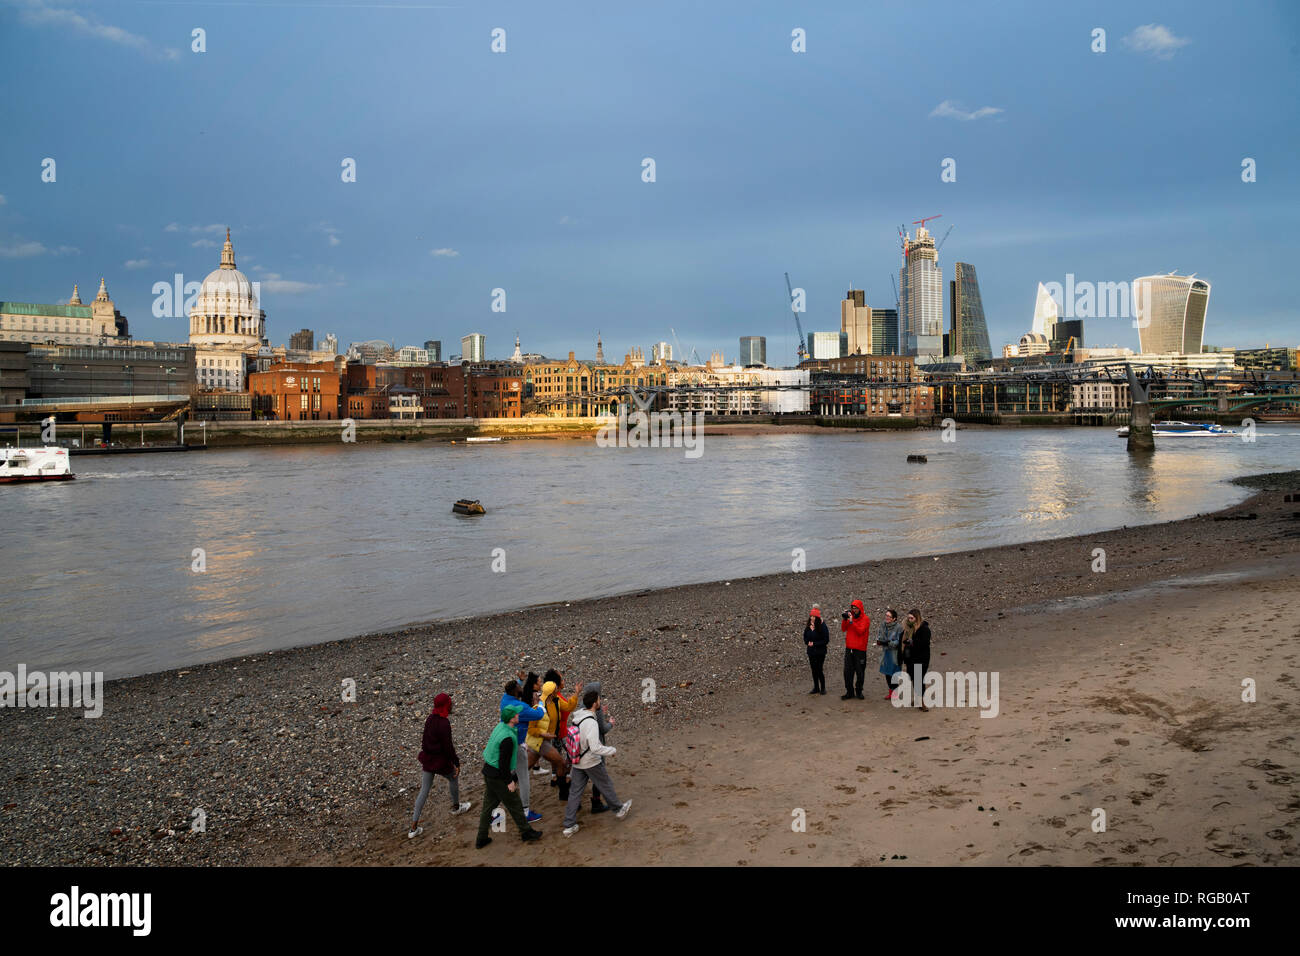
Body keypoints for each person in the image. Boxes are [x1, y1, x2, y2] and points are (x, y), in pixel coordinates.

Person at [561, 689, 632, 837]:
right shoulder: (591, 723)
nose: (600, 702)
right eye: (599, 700)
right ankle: (619, 809)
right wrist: (611, 750)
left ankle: (569, 825)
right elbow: (595, 747)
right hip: (591, 762)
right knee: (606, 785)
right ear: (594, 704)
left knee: (575, 793)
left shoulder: (577, 718)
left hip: (577, 761)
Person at [476, 704, 543, 848]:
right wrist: (509, 782)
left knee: (488, 807)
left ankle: (481, 838)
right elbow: (503, 764)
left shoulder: (501, 727)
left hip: (488, 772)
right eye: (517, 715)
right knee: (515, 804)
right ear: (512, 718)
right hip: (498, 776)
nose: (519, 716)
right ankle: (526, 832)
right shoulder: (507, 738)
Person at [409, 693, 470, 837]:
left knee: (424, 790)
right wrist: (456, 762)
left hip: (428, 759)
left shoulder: (430, 719)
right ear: (446, 705)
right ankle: (456, 807)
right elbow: (448, 747)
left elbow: (424, 741)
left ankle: (413, 828)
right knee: (453, 778)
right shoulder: (444, 723)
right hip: (440, 761)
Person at [501, 678, 546, 823]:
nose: (522, 689)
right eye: (520, 687)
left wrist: (519, 680)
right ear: (515, 691)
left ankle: (492, 812)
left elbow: (515, 689)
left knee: (505, 776)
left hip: (505, 741)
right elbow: (539, 715)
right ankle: (525, 811)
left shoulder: (505, 700)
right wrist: (539, 704)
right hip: (517, 744)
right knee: (523, 777)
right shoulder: (519, 707)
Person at [527, 680, 572, 800]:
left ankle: (508, 784)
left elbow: (566, 709)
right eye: (555, 690)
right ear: (552, 693)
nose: (558, 691)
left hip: (539, 742)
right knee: (561, 762)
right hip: (540, 742)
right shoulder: (538, 707)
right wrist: (544, 735)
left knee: (526, 766)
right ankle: (564, 794)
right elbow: (531, 729)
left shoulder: (550, 702)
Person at [543, 669, 583, 801]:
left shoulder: (553, 697)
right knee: (571, 754)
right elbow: (568, 707)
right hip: (558, 733)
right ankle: (567, 779)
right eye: (562, 679)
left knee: (557, 757)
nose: (564, 680)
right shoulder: (554, 698)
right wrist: (576, 693)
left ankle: (556, 777)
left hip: (554, 734)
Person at [584, 679, 614, 813]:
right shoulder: (597, 711)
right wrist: (611, 723)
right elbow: (603, 729)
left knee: (580, 780)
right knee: (600, 776)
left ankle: (574, 804)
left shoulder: (582, 706)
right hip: (596, 747)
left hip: (582, 749)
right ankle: (596, 802)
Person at [839, 599, 871, 700]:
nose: (854, 609)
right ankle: (849, 692)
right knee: (847, 672)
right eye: (853, 608)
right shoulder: (850, 618)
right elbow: (843, 629)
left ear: (860, 608)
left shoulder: (865, 619)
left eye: (856, 608)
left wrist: (852, 621)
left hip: (860, 650)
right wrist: (845, 619)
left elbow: (860, 631)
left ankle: (859, 691)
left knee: (860, 672)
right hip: (849, 649)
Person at [906, 608, 932, 712]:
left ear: (917, 618)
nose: (909, 620)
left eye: (911, 618)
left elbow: (924, 644)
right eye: (908, 618)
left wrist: (912, 643)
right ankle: (917, 698)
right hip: (911, 658)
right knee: (913, 678)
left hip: (921, 658)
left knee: (919, 679)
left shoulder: (924, 629)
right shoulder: (910, 628)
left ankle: (921, 702)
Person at [875, 608, 904, 700]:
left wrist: (888, 643)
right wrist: (882, 641)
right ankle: (891, 692)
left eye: (889, 616)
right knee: (887, 673)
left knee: (894, 674)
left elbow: (898, 642)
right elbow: (880, 636)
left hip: (895, 654)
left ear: (894, 618)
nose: (886, 617)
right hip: (886, 653)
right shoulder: (883, 625)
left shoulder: (899, 627)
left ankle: (895, 693)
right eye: (886, 615)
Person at [803, 606, 829, 695]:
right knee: (813, 670)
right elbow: (805, 637)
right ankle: (816, 687)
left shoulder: (823, 626)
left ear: (817, 617)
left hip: (820, 652)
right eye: (811, 616)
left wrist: (814, 644)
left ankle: (823, 688)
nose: (812, 618)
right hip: (811, 652)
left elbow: (826, 640)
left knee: (819, 669)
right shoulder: (808, 626)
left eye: (814, 617)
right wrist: (807, 643)